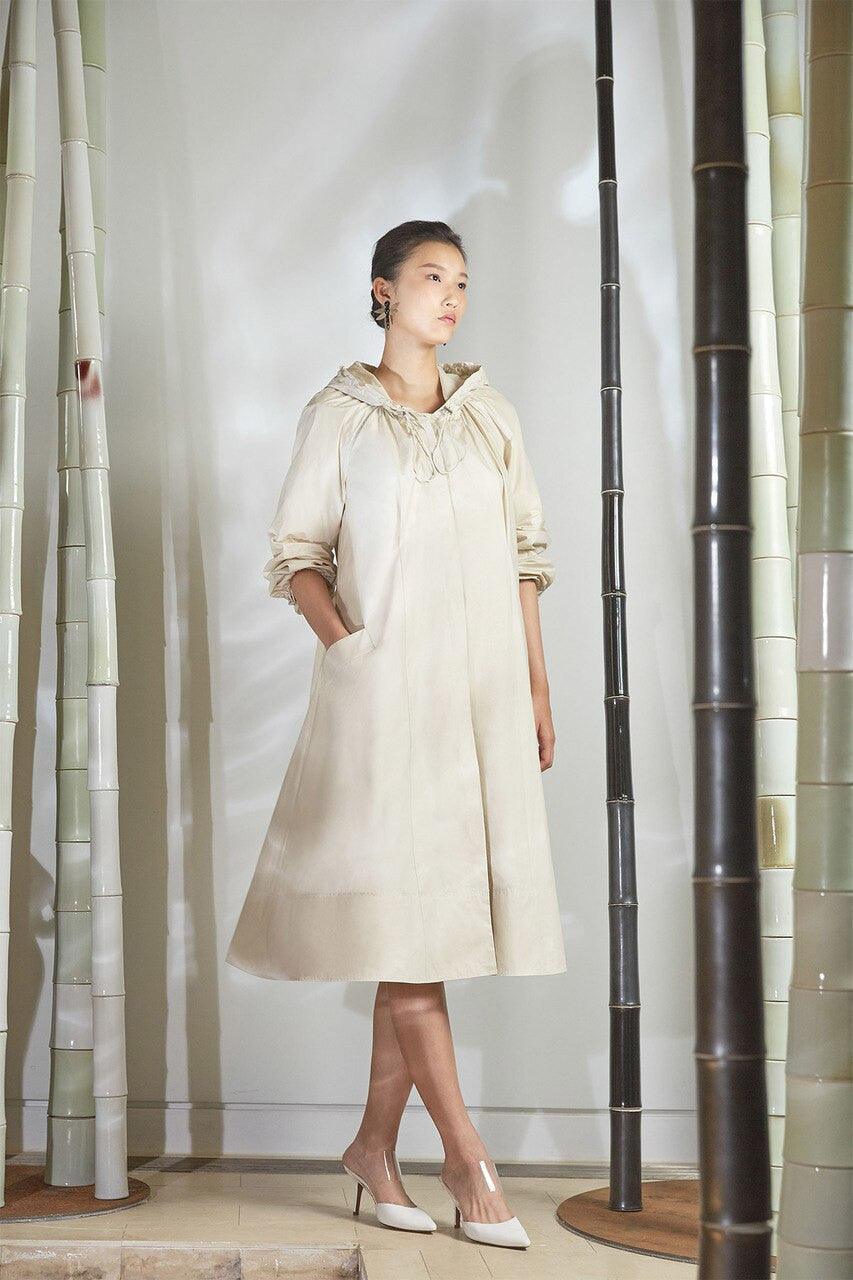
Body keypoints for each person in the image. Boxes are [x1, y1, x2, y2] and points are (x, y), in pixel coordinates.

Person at [226, 220, 567, 1249]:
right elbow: (296, 553)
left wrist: (536, 684)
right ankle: (467, 1159)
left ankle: (373, 1148)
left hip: (482, 700)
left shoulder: (489, 413)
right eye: (429, 276)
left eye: (461, 280)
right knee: (414, 937)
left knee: (414, 933)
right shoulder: (339, 415)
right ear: (382, 290)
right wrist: (350, 651)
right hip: (383, 704)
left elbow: (524, 555)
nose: (450, 295)